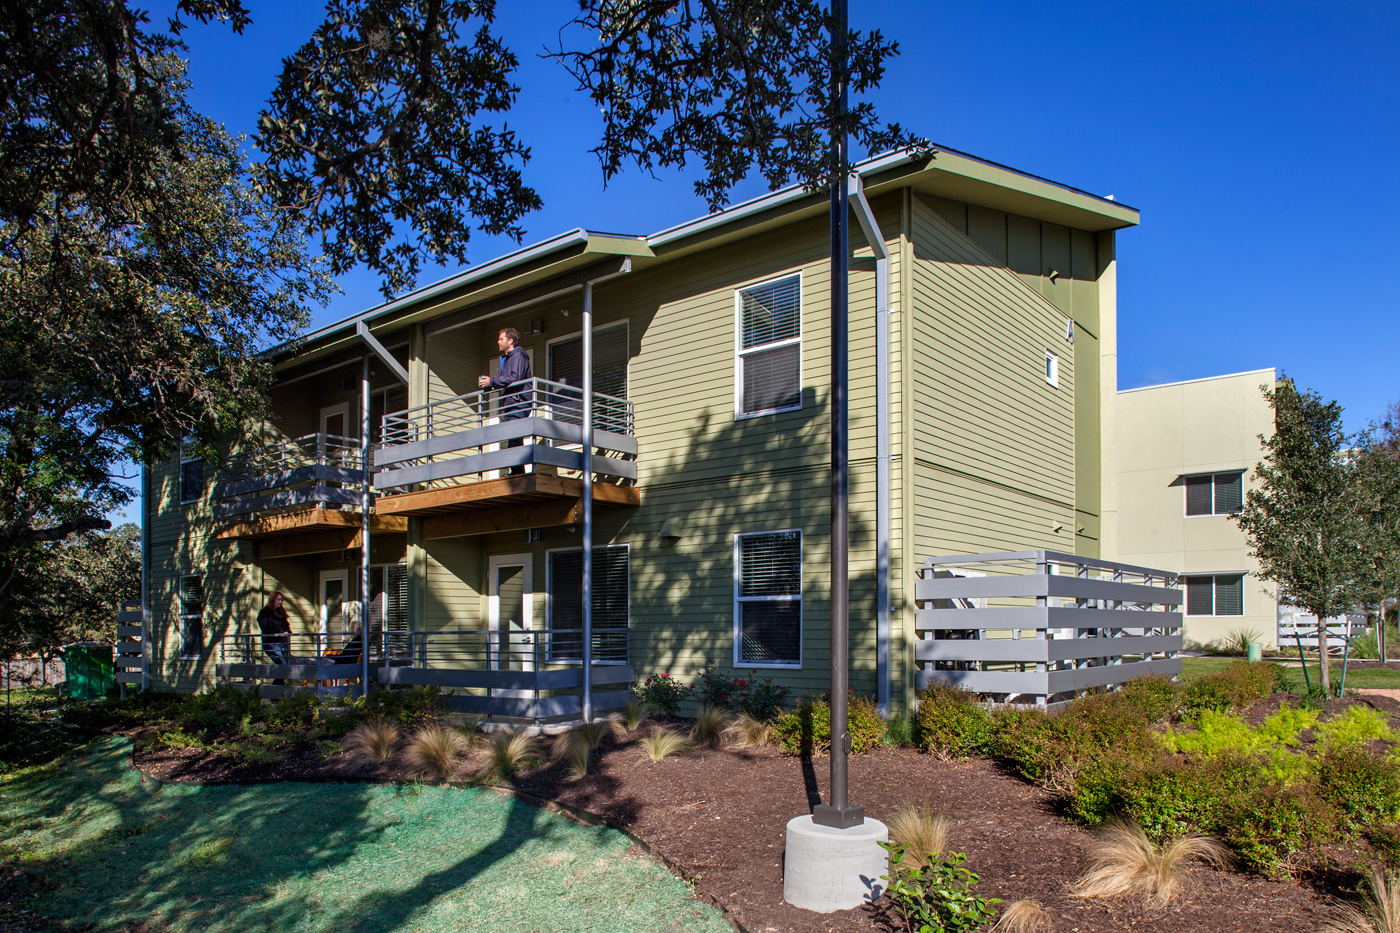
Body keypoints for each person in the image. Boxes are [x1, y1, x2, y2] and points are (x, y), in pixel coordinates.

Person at [478, 326, 532, 475]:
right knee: (512, 438)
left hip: (519, 402)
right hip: (510, 403)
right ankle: (517, 471)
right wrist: (488, 384)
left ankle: (517, 473)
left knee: (514, 437)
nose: (498, 342)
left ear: (510, 340)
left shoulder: (519, 355)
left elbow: (515, 377)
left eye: (501, 339)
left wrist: (492, 381)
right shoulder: (505, 359)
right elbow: (503, 381)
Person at [257, 592, 293, 685]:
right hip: (271, 643)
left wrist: (288, 632)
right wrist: (278, 634)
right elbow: (265, 627)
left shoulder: (281, 612)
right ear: (273, 600)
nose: (280, 602)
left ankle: (279, 691)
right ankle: (275, 691)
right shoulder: (265, 613)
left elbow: (286, 625)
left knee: (286, 666)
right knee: (282, 665)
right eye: (278, 600)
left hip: (283, 643)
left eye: (281, 600)